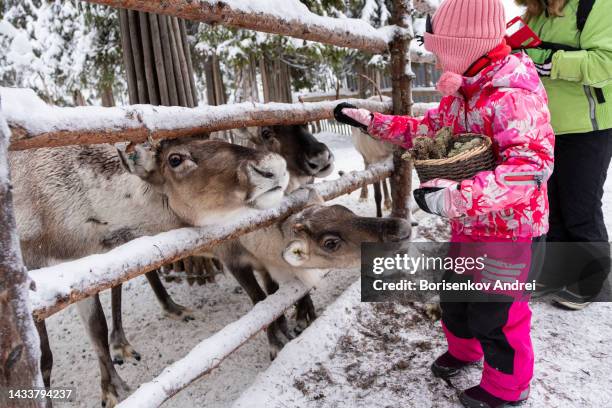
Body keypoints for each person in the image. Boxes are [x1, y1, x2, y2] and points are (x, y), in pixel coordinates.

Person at [334, 0, 554, 407]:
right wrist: (373, 123)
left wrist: (457, 196)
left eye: (439, 50)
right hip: (470, 224)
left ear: (463, 46)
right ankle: (465, 351)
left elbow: (531, 167)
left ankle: (508, 387)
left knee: (498, 314)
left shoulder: (512, 95)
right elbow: (428, 131)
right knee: (456, 295)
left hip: (511, 230)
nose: (434, 59)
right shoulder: (465, 91)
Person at [517, 0, 612, 310]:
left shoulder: (597, 5)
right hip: (545, 126)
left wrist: (552, 62)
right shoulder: (537, 10)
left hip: (589, 126)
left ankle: (590, 280)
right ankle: (558, 272)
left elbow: (606, 61)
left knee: (580, 206)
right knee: (551, 204)